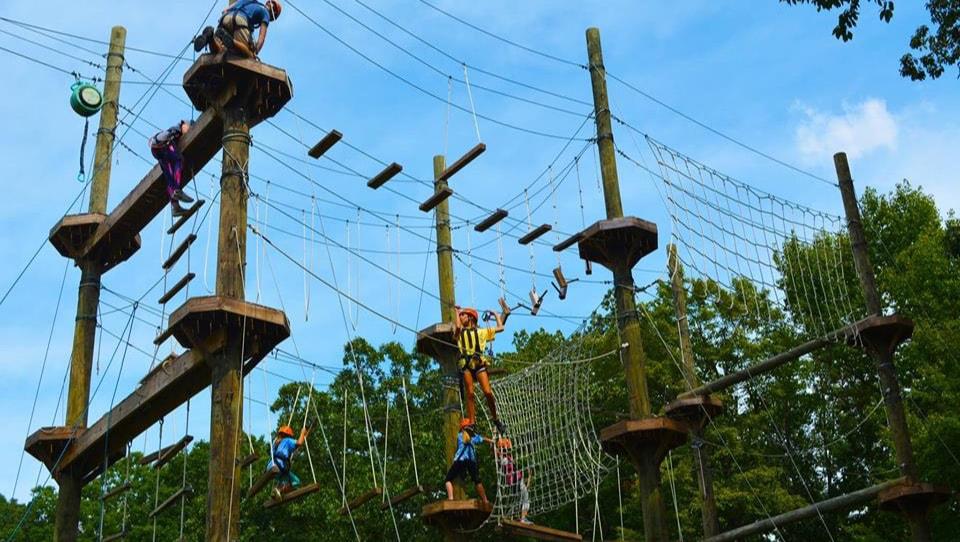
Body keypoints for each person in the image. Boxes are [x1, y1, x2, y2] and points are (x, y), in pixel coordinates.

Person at [454, 305, 507, 434]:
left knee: (488, 392)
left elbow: (501, 328)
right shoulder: (459, 333)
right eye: (460, 316)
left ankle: (496, 419)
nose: (461, 318)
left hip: (478, 364)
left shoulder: (481, 332)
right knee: (470, 393)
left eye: (463, 315)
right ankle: (472, 422)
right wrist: (457, 312)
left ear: (471, 317)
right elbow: (457, 327)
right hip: (466, 365)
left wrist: (495, 314)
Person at [194, 0, 282, 59]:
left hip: (225, 18)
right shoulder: (266, 12)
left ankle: (210, 37)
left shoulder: (249, 1)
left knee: (218, 52)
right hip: (240, 21)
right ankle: (232, 41)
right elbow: (262, 37)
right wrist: (255, 52)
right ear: (273, 13)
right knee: (249, 55)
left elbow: (224, 11)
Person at [149, 121, 194, 217]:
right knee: (178, 160)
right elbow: (168, 135)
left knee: (169, 175)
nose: (188, 130)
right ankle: (177, 191)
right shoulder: (176, 130)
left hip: (156, 150)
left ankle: (175, 207)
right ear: (183, 124)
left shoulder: (176, 133)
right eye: (188, 127)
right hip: (161, 144)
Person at [444, 418, 493, 503]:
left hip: (460, 461)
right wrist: (491, 441)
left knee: (448, 480)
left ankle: (451, 499)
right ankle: (485, 500)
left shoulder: (459, 435)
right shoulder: (473, 437)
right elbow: (483, 438)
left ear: (462, 428)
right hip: (471, 462)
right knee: (477, 481)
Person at [495, 437, 533, 524]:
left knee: (519, 499)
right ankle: (523, 518)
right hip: (515, 481)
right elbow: (499, 454)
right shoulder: (504, 459)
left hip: (515, 481)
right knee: (525, 498)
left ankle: (509, 516)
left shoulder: (507, 458)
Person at [267, 424, 310, 499]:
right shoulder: (287, 440)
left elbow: (296, 449)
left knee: (284, 480)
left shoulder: (275, 442)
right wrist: (302, 433)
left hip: (271, 467)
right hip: (279, 467)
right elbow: (299, 443)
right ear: (288, 435)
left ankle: (277, 492)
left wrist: (305, 435)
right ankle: (279, 490)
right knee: (296, 482)